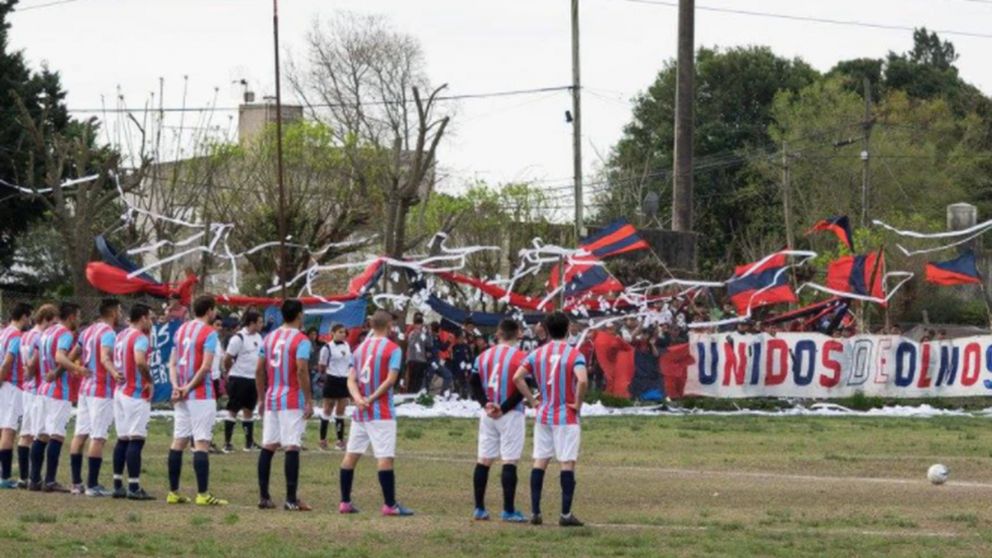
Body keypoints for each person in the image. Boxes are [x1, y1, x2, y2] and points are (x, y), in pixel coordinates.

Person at [513, 311, 589, 527]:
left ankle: (535, 512)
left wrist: (533, 401)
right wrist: (578, 403)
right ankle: (565, 515)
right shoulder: (574, 354)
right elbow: (582, 380)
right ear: (567, 329)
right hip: (566, 415)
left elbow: (517, 377)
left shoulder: (537, 353)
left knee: (540, 461)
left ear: (546, 330)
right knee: (567, 462)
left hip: (544, 414)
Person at [338, 310, 413, 516]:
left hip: (361, 412)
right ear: (389, 326)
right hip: (381, 412)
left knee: (351, 456)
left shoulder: (359, 349)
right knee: (385, 458)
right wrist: (370, 399)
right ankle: (390, 505)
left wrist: (358, 399)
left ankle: (345, 501)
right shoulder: (393, 349)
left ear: (371, 326)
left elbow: (350, 379)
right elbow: (390, 380)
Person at [166, 294, 227, 506]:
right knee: (201, 441)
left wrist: (177, 387)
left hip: (181, 393)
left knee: (179, 440)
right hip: (200, 394)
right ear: (209, 311)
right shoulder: (209, 333)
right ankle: (202, 494)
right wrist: (188, 387)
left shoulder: (181, 329)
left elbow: (171, 363)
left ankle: (173, 491)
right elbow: (206, 367)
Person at [256, 299, 314, 511]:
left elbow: (259, 370)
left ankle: (264, 496)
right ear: (299, 314)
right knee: (292, 445)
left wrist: (261, 397)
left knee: (269, 445)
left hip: (272, 397)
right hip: (291, 398)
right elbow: (301, 370)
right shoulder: (302, 340)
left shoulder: (268, 338)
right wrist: (308, 399)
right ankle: (291, 499)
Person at [468, 319, 528, 523]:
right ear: (517, 334)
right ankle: (508, 510)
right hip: (510, 413)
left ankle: (479, 508)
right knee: (509, 460)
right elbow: (522, 388)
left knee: (484, 460)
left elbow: (474, 383)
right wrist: (503, 407)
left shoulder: (483, 356)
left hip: (488, 414)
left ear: (498, 333)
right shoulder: (521, 357)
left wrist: (486, 404)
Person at [31, 302, 86, 493]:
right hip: (58, 392)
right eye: (78, 316)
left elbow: (33, 361)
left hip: (43, 390)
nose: (78, 320)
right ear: (71, 317)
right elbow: (60, 357)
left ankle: (34, 479)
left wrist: (52, 372)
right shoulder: (65, 333)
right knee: (56, 435)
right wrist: (78, 369)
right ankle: (50, 480)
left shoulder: (46, 332)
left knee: (41, 435)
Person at [69, 299, 121, 496]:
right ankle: (92, 484)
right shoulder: (108, 333)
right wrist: (114, 372)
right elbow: (104, 357)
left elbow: (74, 354)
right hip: (101, 389)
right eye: (120, 310)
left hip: (85, 389)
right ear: (114, 312)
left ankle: (76, 483)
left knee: (80, 433)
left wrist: (77, 368)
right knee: (98, 436)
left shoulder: (87, 331)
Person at [112, 303, 156, 500]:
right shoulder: (140, 337)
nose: (152, 322)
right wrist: (149, 380)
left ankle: (117, 484)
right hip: (135, 392)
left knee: (122, 439)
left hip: (120, 391)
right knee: (136, 439)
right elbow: (139, 360)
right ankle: (134, 486)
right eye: (151, 318)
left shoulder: (121, 335)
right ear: (144, 318)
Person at [15, 304, 56, 488]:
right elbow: (34, 363)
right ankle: (33, 476)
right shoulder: (40, 337)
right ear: (47, 319)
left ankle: (24, 477)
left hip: (26, 388)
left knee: (26, 433)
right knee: (38, 433)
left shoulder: (25, 335)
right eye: (53, 321)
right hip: (36, 388)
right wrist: (31, 372)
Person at [0, 302, 33, 489]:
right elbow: (7, 361)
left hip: (4, 385)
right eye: (29, 317)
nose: (30, 321)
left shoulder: (3, 332)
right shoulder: (15, 335)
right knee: (8, 429)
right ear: (23, 317)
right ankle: (5, 476)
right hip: (11, 384)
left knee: (1, 427)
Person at [222, 311, 263, 454]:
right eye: (259, 322)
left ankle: (249, 442)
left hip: (253, 379)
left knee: (249, 410)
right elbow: (227, 359)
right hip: (238, 378)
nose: (261, 325)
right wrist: (229, 372)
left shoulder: (259, 337)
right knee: (233, 410)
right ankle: (227, 442)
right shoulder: (238, 338)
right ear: (251, 323)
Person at [319, 324, 352, 451]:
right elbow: (322, 365)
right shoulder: (327, 347)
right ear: (332, 333)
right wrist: (327, 374)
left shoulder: (347, 345)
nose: (343, 334)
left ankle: (340, 440)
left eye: (344, 332)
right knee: (327, 410)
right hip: (332, 378)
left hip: (344, 379)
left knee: (340, 411)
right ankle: (322, 439)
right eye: (340, 332)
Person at [405, 315, 432, 393]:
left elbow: (429, 344)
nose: (419, 325)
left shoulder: (423, 334)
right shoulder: (412, 333)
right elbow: (411, 344)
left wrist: (429, 332)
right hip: (413, 360)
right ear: (414, 324)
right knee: (412, 381)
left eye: (420, 323)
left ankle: (414, 396)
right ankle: (409, 396)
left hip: (421, 360)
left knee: (418, 381)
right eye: (417, 323)